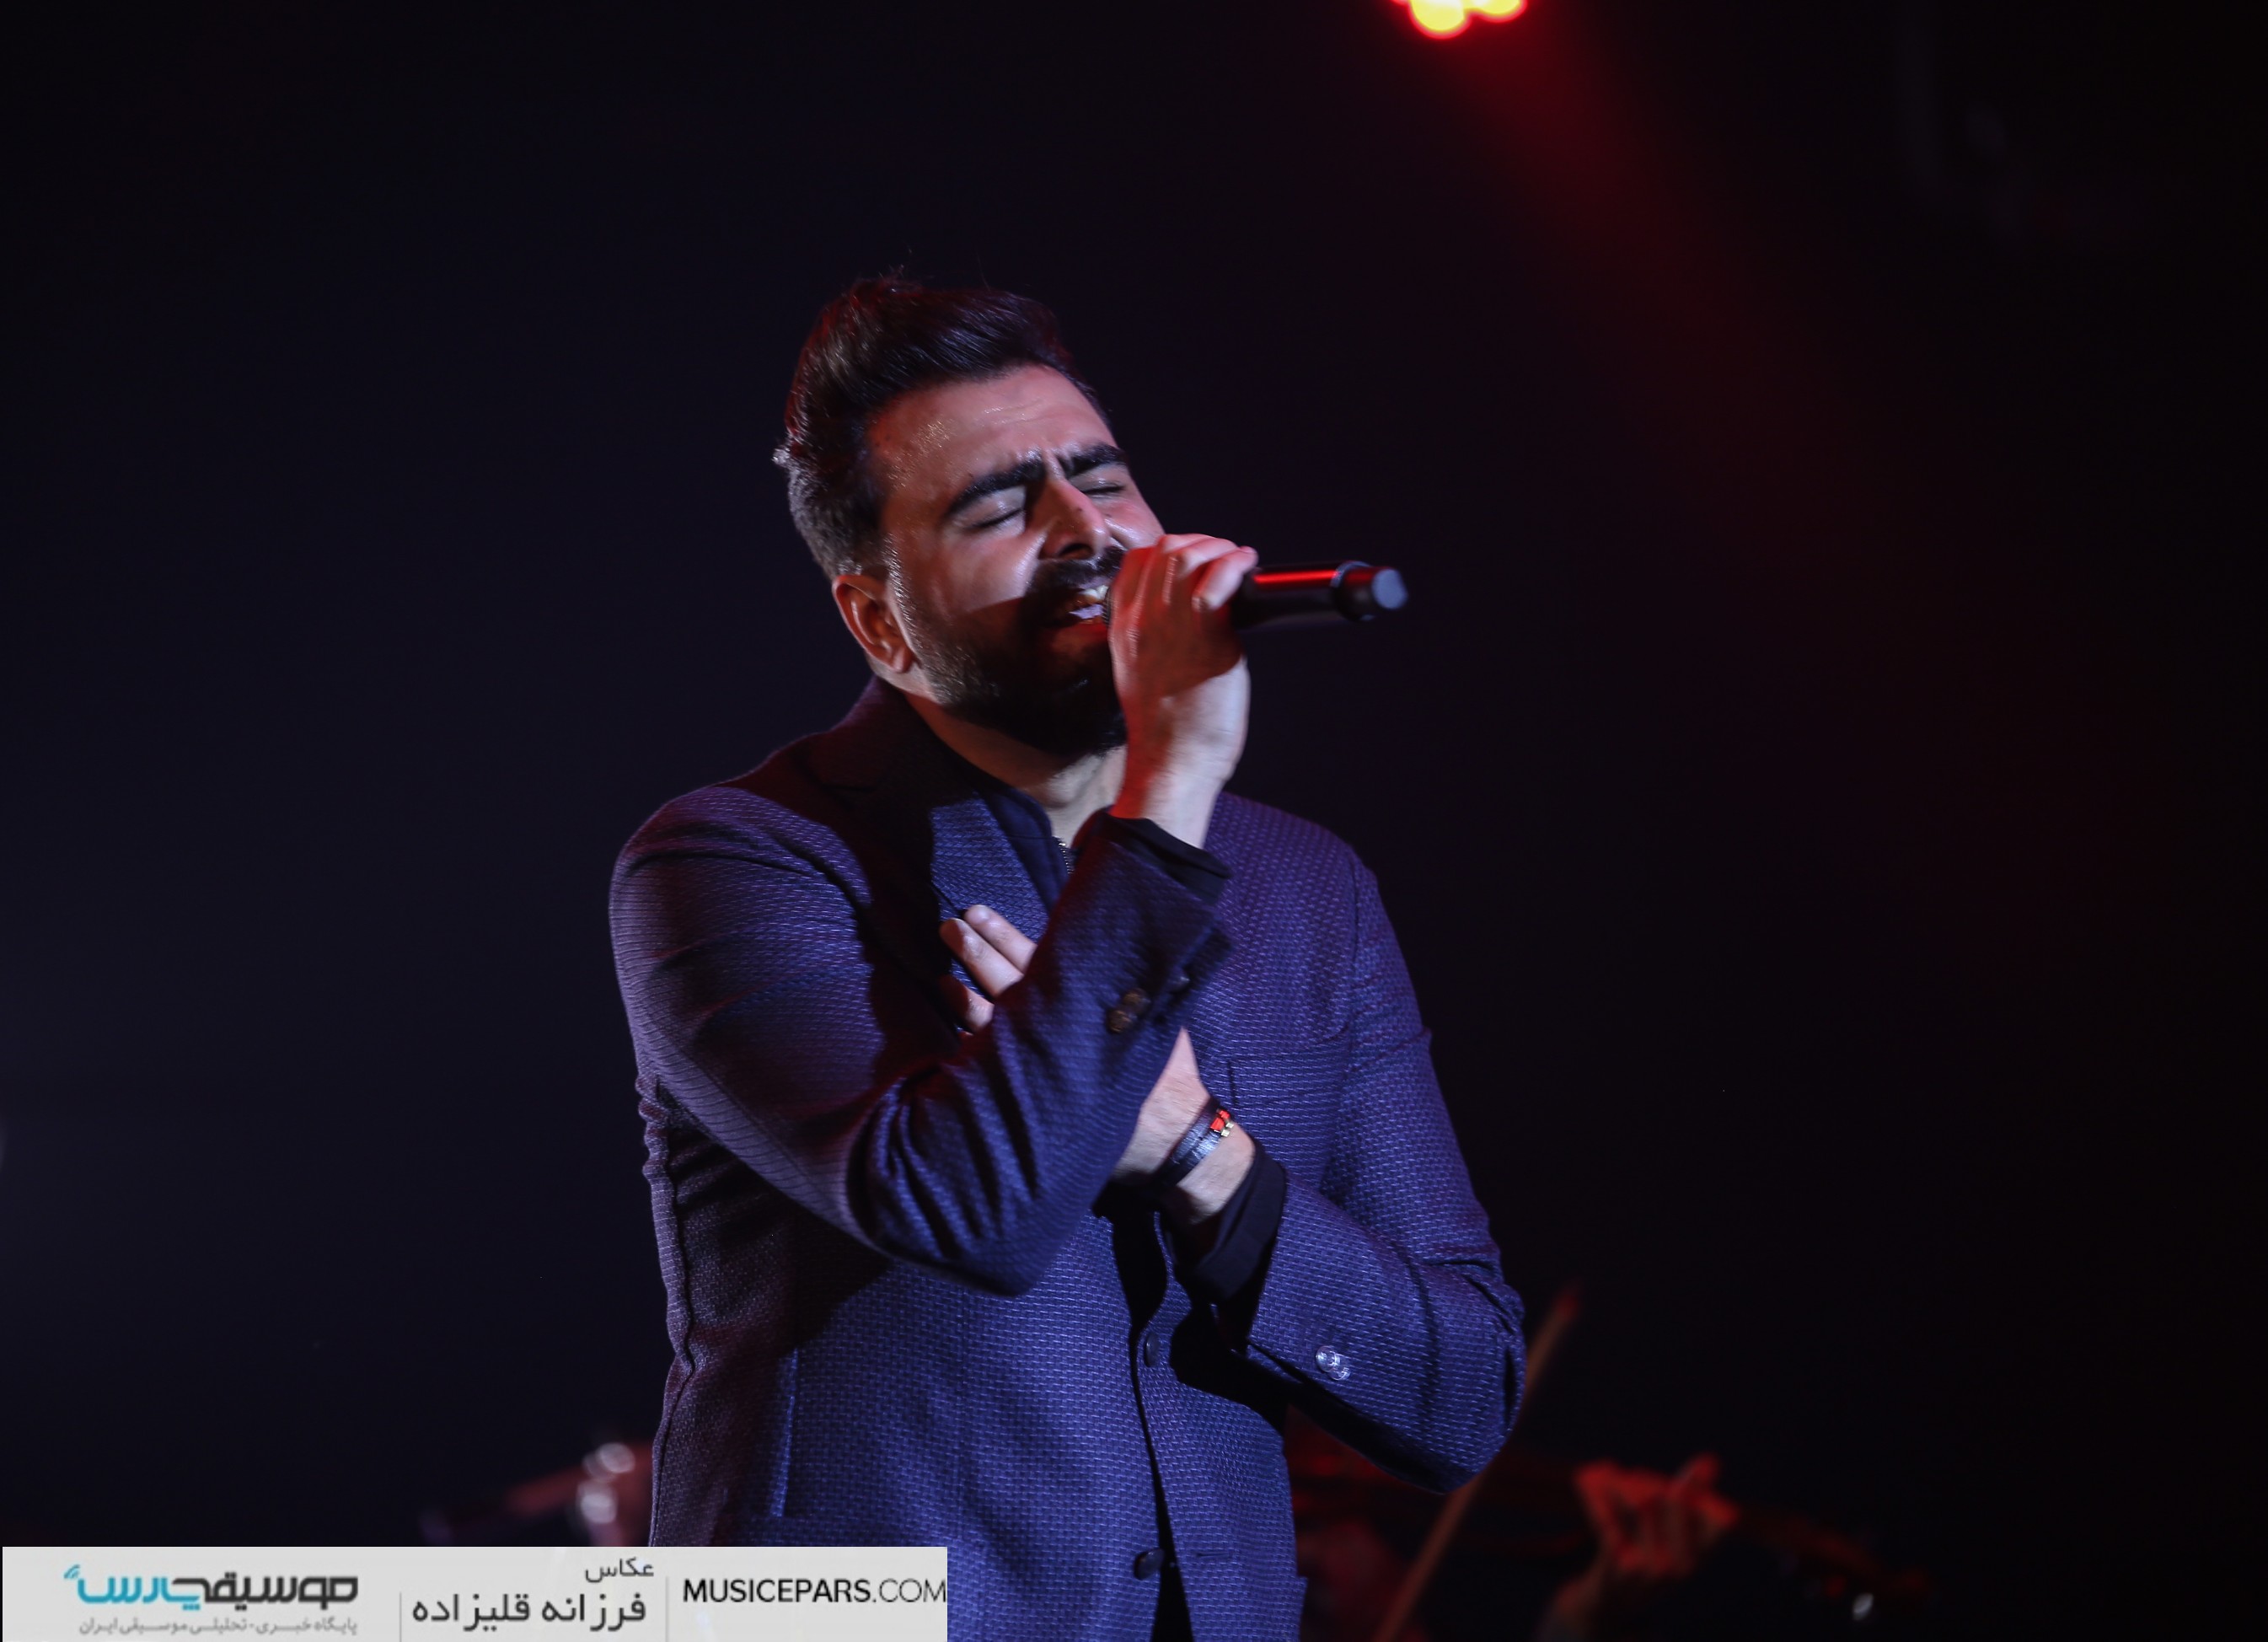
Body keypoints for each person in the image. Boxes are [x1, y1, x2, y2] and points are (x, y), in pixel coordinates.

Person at [609, 276, 1526, 1640]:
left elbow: (1464, 1396)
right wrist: (1173, 779)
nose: (1088, 531)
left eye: (1101, 480)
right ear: (879, 621)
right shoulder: (740, 862)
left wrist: (1202, 1154)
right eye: (999, 509)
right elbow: (969, 1214)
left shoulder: (1309, 892)